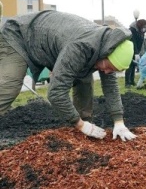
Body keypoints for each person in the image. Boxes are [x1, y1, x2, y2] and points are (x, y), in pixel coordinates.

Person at [0, 10, 136, 141]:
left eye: (111, 70)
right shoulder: (80, 48)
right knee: (8, 86)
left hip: (47, 42)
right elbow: (55, 93)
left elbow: (111, 86)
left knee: (84, 78)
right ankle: (81, 125)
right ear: (106, 53)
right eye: (107, 67)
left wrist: (119, 122)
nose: (106, 72)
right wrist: (79, 124)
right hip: (19, 35)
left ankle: (85, 126)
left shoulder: (110, 46)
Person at [125, 19, 146, 88]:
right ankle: (127, 82)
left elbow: (140, 43)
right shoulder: (132, 30)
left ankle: (132, 81)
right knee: (129, 66)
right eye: (143, 27)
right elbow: (133, 42)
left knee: (133, 66)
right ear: (140, 26)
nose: (144, 28)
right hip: (130, 49)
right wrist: (135, 52)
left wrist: (138, 52)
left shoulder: (141, 33)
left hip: (136, 51)